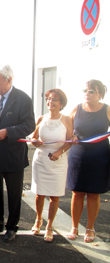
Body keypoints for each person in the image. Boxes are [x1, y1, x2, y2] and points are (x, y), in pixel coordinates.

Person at [0, 64, 35, 243]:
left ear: (9, 80)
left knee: (13, 193)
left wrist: (9, 131)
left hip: (12, 155)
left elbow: (29, 125)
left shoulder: (23, 99)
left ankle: (12, 227)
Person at [66, 79, 110, 242]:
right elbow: (67, 126)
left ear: (99, 94)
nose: (87, 94)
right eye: (85, 91)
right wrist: (70, 135)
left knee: (93, 193)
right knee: (77, 193)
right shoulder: (77, 108)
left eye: (91, 91)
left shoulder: (107, 110)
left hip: (100, 157)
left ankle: (90, 228)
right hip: (79, 156)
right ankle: (75, 226)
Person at [30, 89, 73, 242]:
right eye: (49, 99)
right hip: (41, 160)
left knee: (54, 196)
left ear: (61, 103)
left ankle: (50, 226)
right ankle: (38, 220)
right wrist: (35, 142)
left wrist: (59, 152)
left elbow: (70, 141)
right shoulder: (41, 118)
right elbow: (33, 138)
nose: (51, 102)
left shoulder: (66, 120)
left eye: (55, 99)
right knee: (39, 194)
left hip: (58, 162)